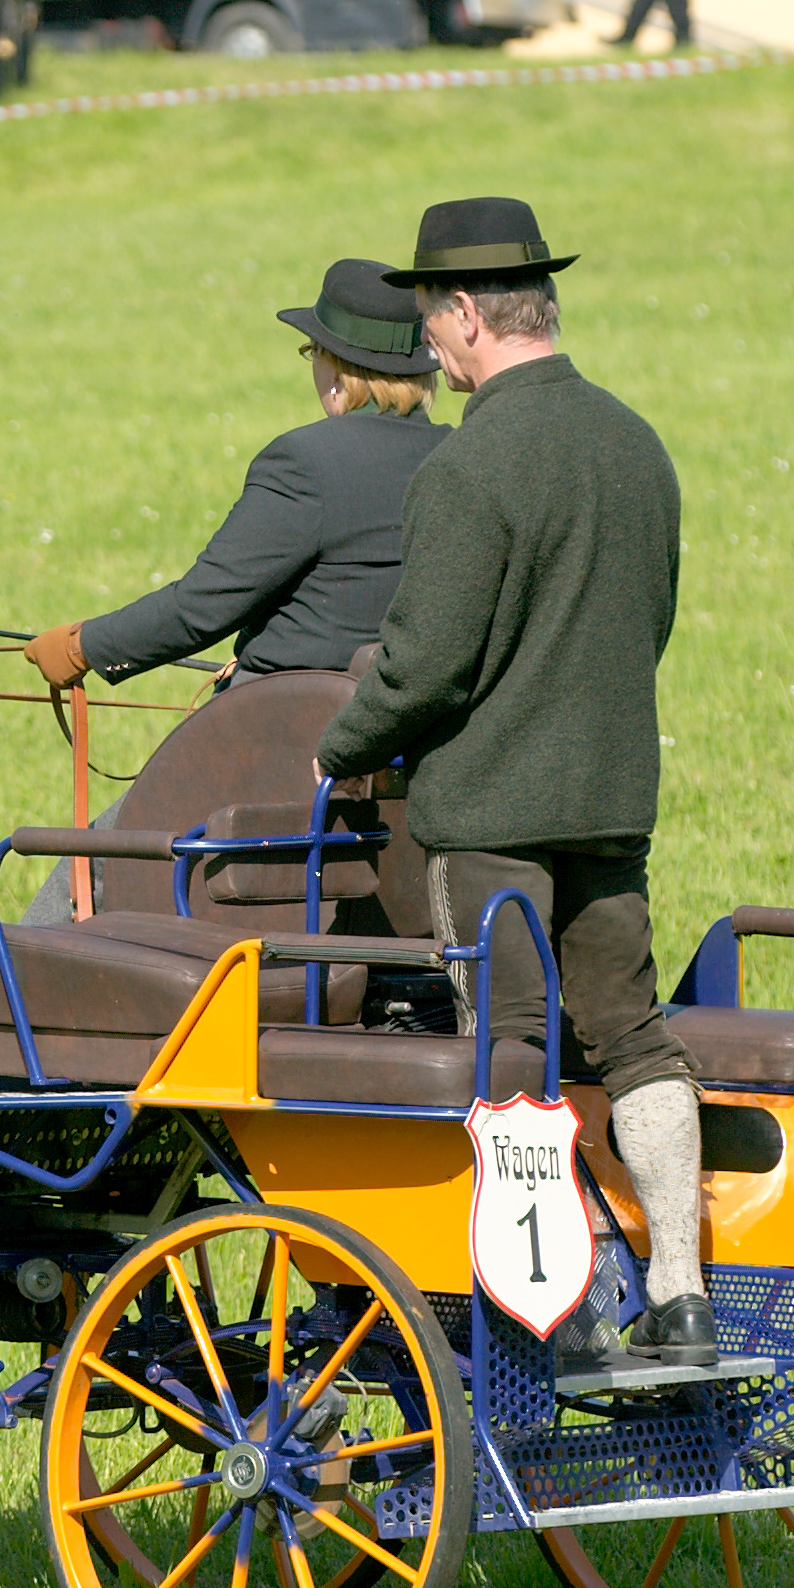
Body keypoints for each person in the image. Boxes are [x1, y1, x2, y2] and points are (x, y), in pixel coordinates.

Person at [313, 197, 715, 1368]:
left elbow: (425, 665)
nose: (427, 348)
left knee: (512, 1045)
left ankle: (573, 1309)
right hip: (610, 803)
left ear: (466, 315)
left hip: (483, 822)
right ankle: (682, 1298)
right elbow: (652, 617)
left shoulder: (469, 462)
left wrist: (340, 741)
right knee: (632, 1034)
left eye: (431, 321)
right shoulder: (635, 443)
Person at [23, 258, 448, 695]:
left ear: (337, 371)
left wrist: (83, 647)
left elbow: (202, 607)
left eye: (312, 353)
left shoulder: (304, 463)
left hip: (297, 722)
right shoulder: (455, 452)